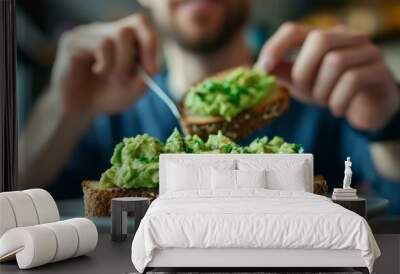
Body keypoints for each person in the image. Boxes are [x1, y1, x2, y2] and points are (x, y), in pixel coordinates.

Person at [19, 0, 400, 213]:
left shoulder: (318, 91)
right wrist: (62, 109)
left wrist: (389, 121)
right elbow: (16, 210)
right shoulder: (106, 106)